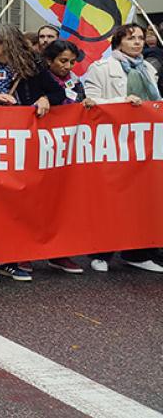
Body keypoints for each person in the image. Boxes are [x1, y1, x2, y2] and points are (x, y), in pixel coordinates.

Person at [0, 23, 65, 284]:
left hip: (21, 145)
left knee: (15, 201)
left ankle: (10, 259)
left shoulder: (32, 68)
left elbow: (58, 92)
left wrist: (45, 100)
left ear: (6, 44)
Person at [82, 23, 162, 273]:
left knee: (140, 198)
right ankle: (101, 253)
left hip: (143, 143)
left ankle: (138, 253)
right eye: (131, 39)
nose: (138, 42)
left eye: (140, 38)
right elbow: (90, 103)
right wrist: (122, 103)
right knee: (111, 198)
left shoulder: (148, 68)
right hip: (112, 141)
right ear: (118, 42)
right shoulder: (101, 68)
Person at [39, 39, 94, 275]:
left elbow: (80, 104)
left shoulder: (74, 81)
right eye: (63, 61)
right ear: (49, 60)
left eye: (72, 62)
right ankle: (23, 254)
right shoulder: (38, 79)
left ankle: (60, 253)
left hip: (68, 153)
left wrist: (87, 104)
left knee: (65, 203)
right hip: (42, 151)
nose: (68, 66)